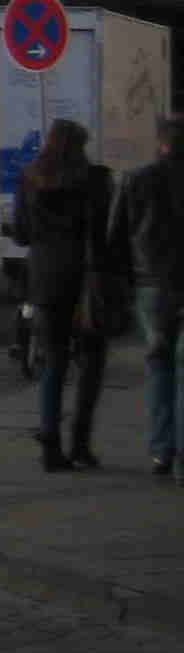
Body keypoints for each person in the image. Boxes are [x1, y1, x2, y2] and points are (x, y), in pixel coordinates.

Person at [13, 118, 123, 473]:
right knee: (91, 363)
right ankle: (80, 442)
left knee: (54, 362)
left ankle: (50, 441)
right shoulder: (95, 179)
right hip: (89, 281)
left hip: (47, 280)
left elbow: (22, 234)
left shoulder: (29, 178)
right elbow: (107, 233)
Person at [105, 114, 182, 482]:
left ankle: (160, 451)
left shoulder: (136, 180)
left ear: (162, 144)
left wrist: (122, 286)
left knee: (158, 365)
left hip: (151, 286)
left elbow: (115, 238)